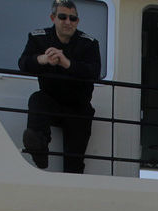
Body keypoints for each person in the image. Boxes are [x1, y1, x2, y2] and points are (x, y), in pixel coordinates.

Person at [18, 0, 101, 173]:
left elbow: (94, 72)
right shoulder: (39, 38)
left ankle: (73, 184)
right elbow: (23, 63)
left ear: (77, 21)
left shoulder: (89, 43)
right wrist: (42, 59)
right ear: (53, 18)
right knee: (37, 99)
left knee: (74, 165)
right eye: (62, 17)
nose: (68, 22)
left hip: (78, 108)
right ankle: (39, 149)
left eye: (73, 18)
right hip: (51, 101)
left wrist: (67, 63)